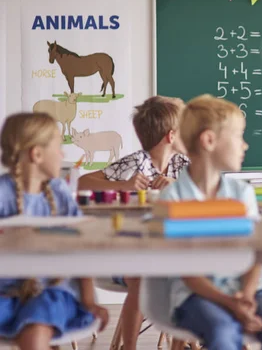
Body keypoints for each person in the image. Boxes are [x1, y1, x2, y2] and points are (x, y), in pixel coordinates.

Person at [158, 94, 262, 350]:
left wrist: (245, 295)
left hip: (250, 289)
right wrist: (230, 303)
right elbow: (187, 272)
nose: (245, 145)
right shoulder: (173, 199)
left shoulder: (242, 194)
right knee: (222, 331)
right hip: (196, 295)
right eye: (238, 137)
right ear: (209, 140)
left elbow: (256, 251)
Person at [77, 95, 189, 350]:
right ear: (171, 136)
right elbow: (82, 182)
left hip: (173, 254)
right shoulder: (135, 162)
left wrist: (179, 187)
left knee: (188, 277)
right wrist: (123, 185)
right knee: (140, 277)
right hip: (129, 256)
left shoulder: (183, 165)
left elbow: (205, 192)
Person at [0, 112, 108, 349]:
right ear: (37, 154)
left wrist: (89, 301)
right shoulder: (2, 193)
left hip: (53, 292)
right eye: (58, 147)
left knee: (38, 325)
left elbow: (82, 250)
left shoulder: (59, 192)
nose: (63, 154)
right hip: (6, 293)